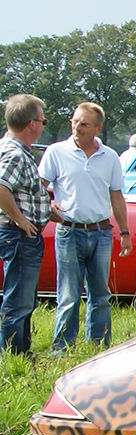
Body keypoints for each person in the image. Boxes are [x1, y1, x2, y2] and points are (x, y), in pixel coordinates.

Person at [40, 102, 132, 351]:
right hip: (69, 231)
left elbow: (116, 196)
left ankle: (98, 347)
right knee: (68, 295)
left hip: (101, 232)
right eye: (74, 121)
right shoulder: (57, 152)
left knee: (100, 294)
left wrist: (124, 232)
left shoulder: (110, 156)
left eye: (84, 124)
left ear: (98, 129)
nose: (76, 127)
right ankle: (62, 349)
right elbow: (39, 185)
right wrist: (47, 206)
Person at [0, 94, 49, 357]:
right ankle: (14, 353)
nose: (43, 125)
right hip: (18, 234)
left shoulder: (14, 150)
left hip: (18, 232)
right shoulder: (15, 154)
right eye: (43, 120)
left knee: (22, 297)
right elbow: (1, 187)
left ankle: (19, 349)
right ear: (32, 124)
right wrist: (21, 220)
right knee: (19, 299)